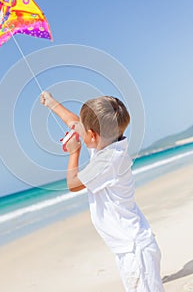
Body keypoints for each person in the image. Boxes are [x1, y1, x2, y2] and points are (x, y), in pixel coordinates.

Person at [40, 91, 164, 292]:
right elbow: (74, 123)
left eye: (84, 128)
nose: (79, 128)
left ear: (93, 135)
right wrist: (52, 104)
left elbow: (73, 183)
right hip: (130, 247)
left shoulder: (108, 161)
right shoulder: (107, 142)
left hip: (135, 250)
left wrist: (74, 152)